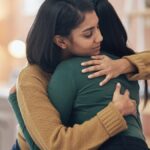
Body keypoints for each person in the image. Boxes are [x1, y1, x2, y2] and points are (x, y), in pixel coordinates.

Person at [8, 0, 149, 150]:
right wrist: (115, 113)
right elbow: (53, 144)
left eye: (98, 27)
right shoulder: (32, 78)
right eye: (88, 34)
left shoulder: (99, 59)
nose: (100, 37)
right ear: (61, 41)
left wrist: (122, 65)